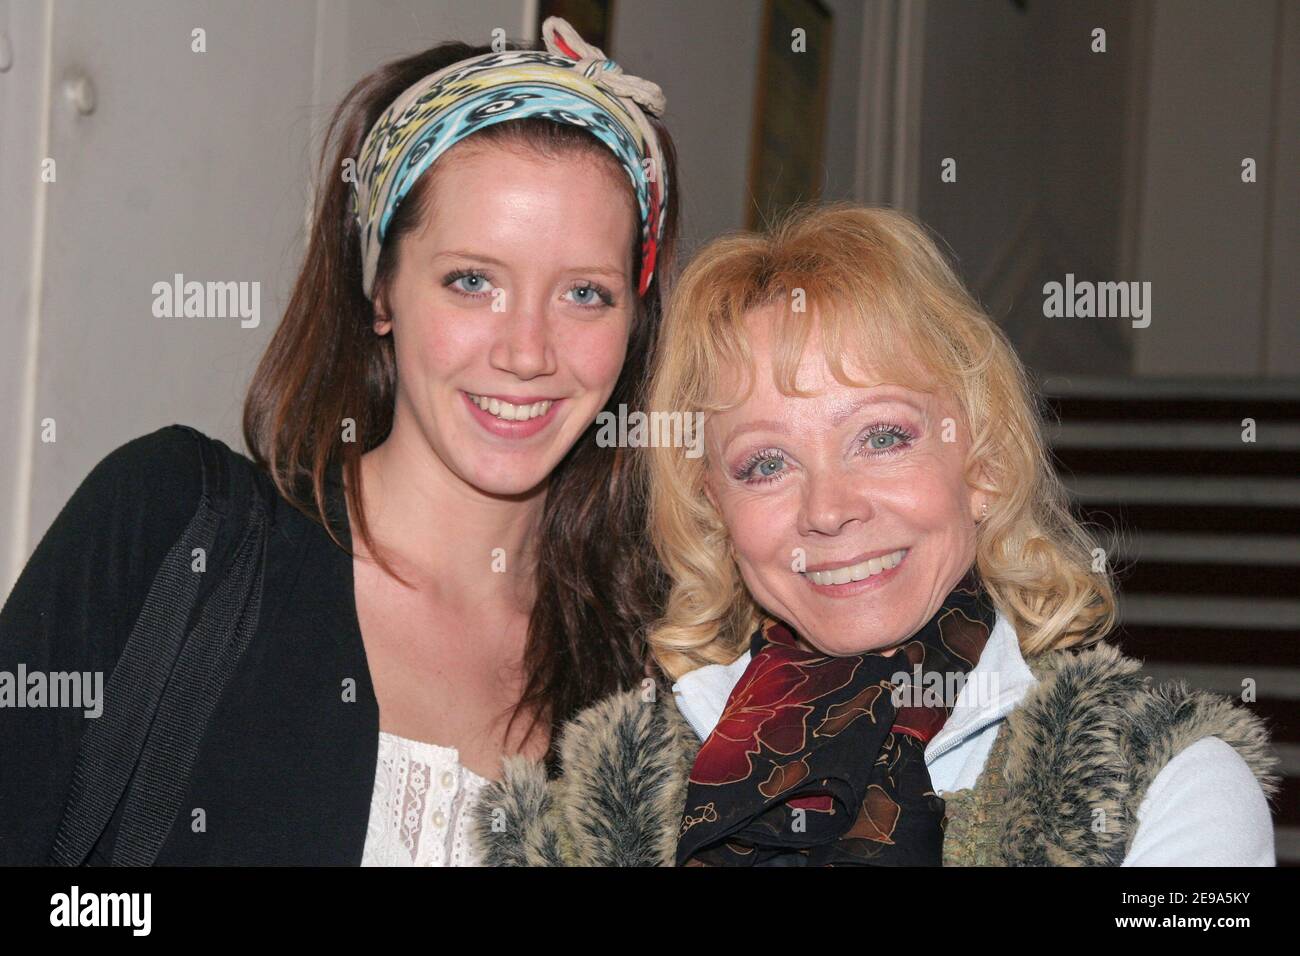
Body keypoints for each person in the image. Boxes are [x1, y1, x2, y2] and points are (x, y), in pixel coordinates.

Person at [0, 17, 679, 866]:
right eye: (472, 282)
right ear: (381, 290)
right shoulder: (176, 528)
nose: (526, 353)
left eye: (585, 293)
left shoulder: (657, 673)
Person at [470, 203, 1280, 866]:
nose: (829, 507)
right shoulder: (610, 794)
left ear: (984, 461)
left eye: (882, 437)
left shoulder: (1164, 785)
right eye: (765, 464)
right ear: (714, 510)